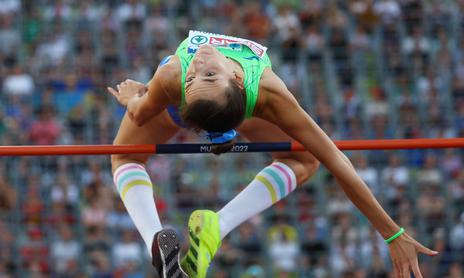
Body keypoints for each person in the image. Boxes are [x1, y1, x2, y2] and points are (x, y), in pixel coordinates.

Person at [108, 30, 438, 278]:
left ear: (238, 80)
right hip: (193, 104)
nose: (198, 63)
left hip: (189, 103)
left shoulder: (178, 75)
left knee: (125, 157)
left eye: (207, 73)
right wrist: (392, 233)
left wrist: (133, 95)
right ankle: (214, 228)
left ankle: (156, 236)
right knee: (303, 161)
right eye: (198, 74)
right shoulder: (260, 91)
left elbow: (139, 113)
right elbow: (335, 159)